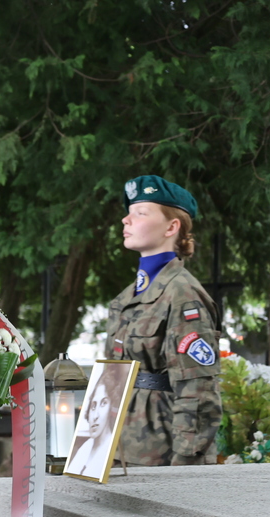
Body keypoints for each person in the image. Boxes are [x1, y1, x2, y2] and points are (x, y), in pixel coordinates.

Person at [105, 175, 222, 466]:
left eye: (140, 213)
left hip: (160, 451)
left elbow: (198, 390)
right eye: (128, 213)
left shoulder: (182, 294)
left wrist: (185, 462)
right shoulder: (126, 297)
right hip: (119, 446)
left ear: (172, 227)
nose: (126, 221)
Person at [65, 367, 124, 478]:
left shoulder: (107, 448)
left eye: (103, 403)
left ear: (111, 407)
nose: (95, 415)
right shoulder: (85, 447)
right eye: (93, 406)